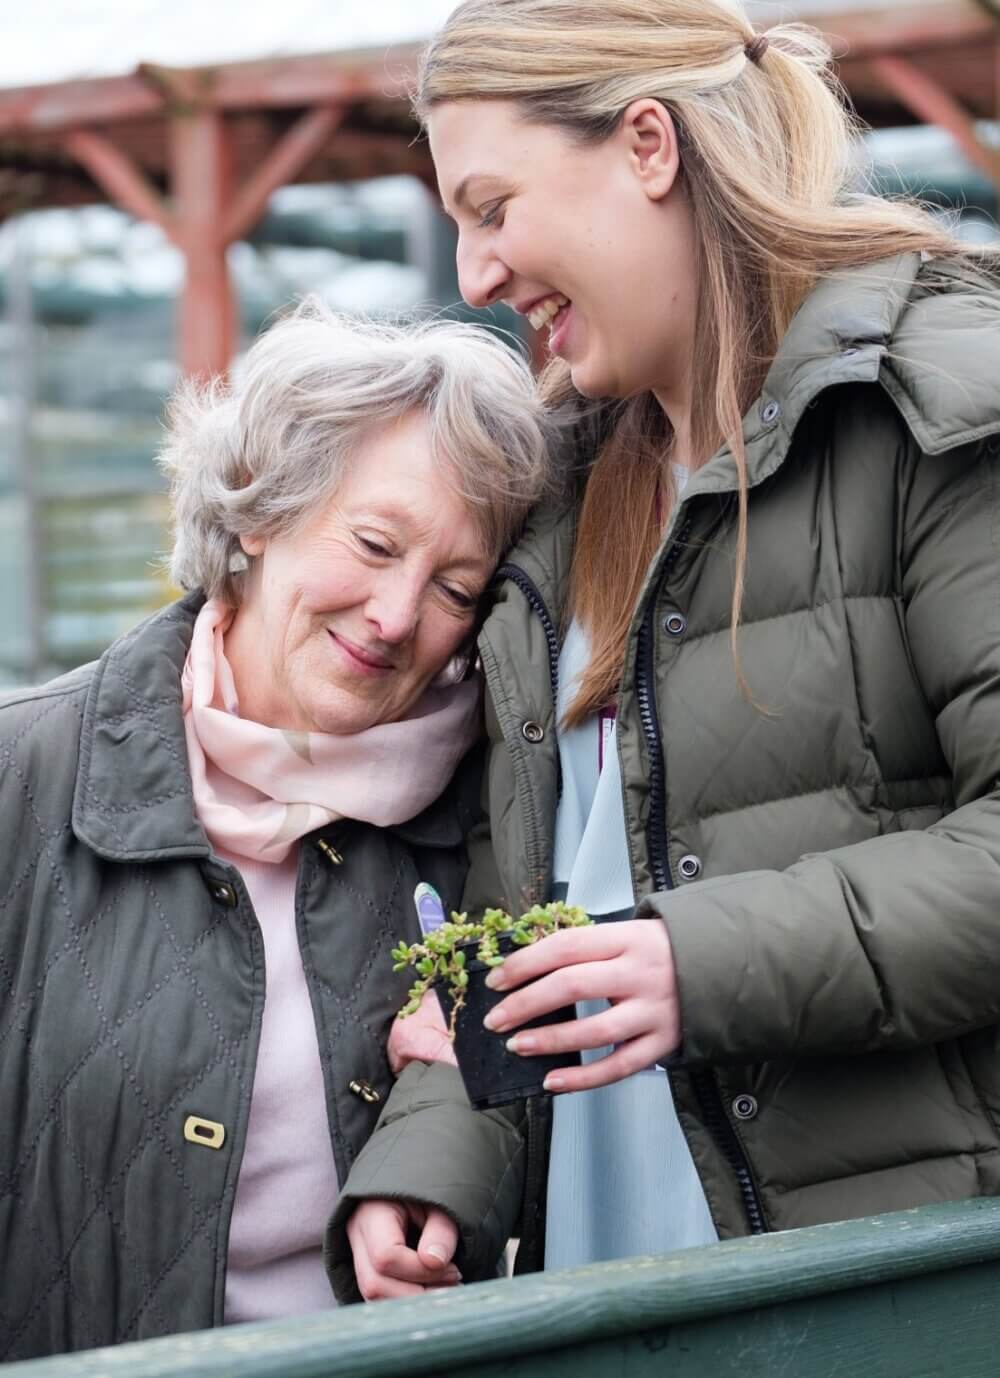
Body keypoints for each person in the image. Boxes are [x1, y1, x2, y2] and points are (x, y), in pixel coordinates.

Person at [334, 0, 1000, 1299]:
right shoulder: (560, 492)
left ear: (648, 146)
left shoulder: (939, 398)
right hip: (621, 1283)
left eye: (490, 204)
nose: (473, 275)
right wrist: (434, 1164)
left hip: (888, 1295)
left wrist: (697, 963)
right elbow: (530, 898)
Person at [0, 301, 553, 1359]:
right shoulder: (26, 774)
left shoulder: (499, 811)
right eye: (374, 543)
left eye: (452, 587)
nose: (395, 615)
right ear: (261, 510)